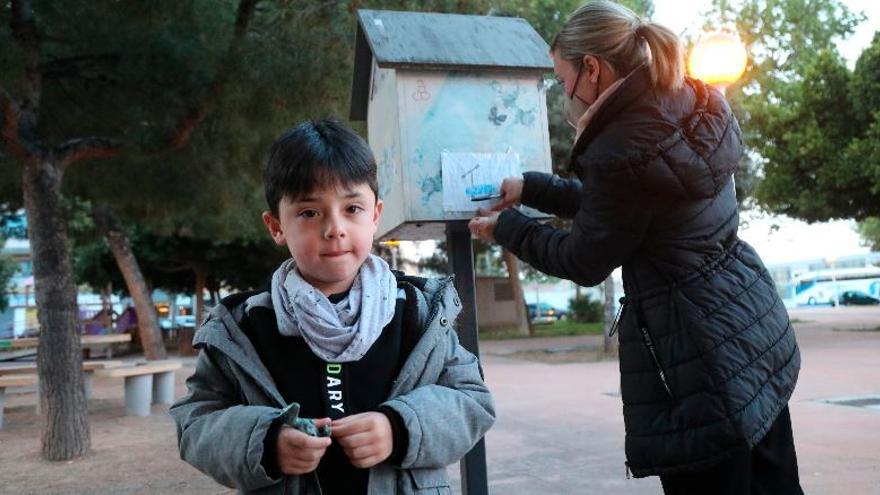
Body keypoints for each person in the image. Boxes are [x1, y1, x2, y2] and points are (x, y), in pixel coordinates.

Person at [469, 2, 802, 494]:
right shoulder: (687, 99)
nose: (566, 97)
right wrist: (533, 188)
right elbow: (630, 214)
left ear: (593, 69)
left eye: (563, 82)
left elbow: (586, 257)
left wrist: (507, 229)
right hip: (751, 329)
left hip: (697, 354)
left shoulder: (620, 149)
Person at [171, 118, 495, 495]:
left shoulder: (417, 313)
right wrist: (265, 441)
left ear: (375, 215)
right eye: (310, 212)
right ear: (276, 226)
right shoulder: (244, 326)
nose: (335, 228)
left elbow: (472, 401)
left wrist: (399, 427)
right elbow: (195, 422)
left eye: (352, 208)